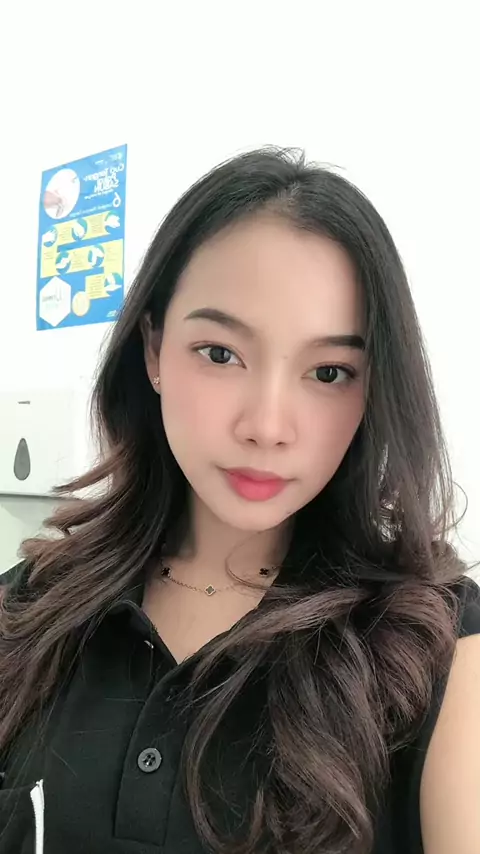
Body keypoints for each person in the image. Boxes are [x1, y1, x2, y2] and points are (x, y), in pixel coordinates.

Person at [1, 147, 479, 854]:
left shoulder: (440, 648)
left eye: (329, 372)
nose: (267, 426)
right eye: (221, 354)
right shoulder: (28, 610)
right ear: (154, 349)